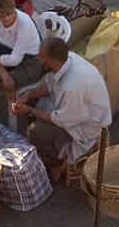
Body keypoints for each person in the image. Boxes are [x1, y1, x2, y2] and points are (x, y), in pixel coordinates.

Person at [11, 37, 113, 182]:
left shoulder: (72, 86)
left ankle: (57, 164)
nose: (39, 60)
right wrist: (29, 95)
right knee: (33, 99)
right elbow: (50, 84)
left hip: (86, 126)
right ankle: (45, 152)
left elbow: (61, 120)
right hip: (74, 111)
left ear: (51, 61)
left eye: (41, 57)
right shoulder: (68, 58)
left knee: (36, 131)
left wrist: (29, 111)